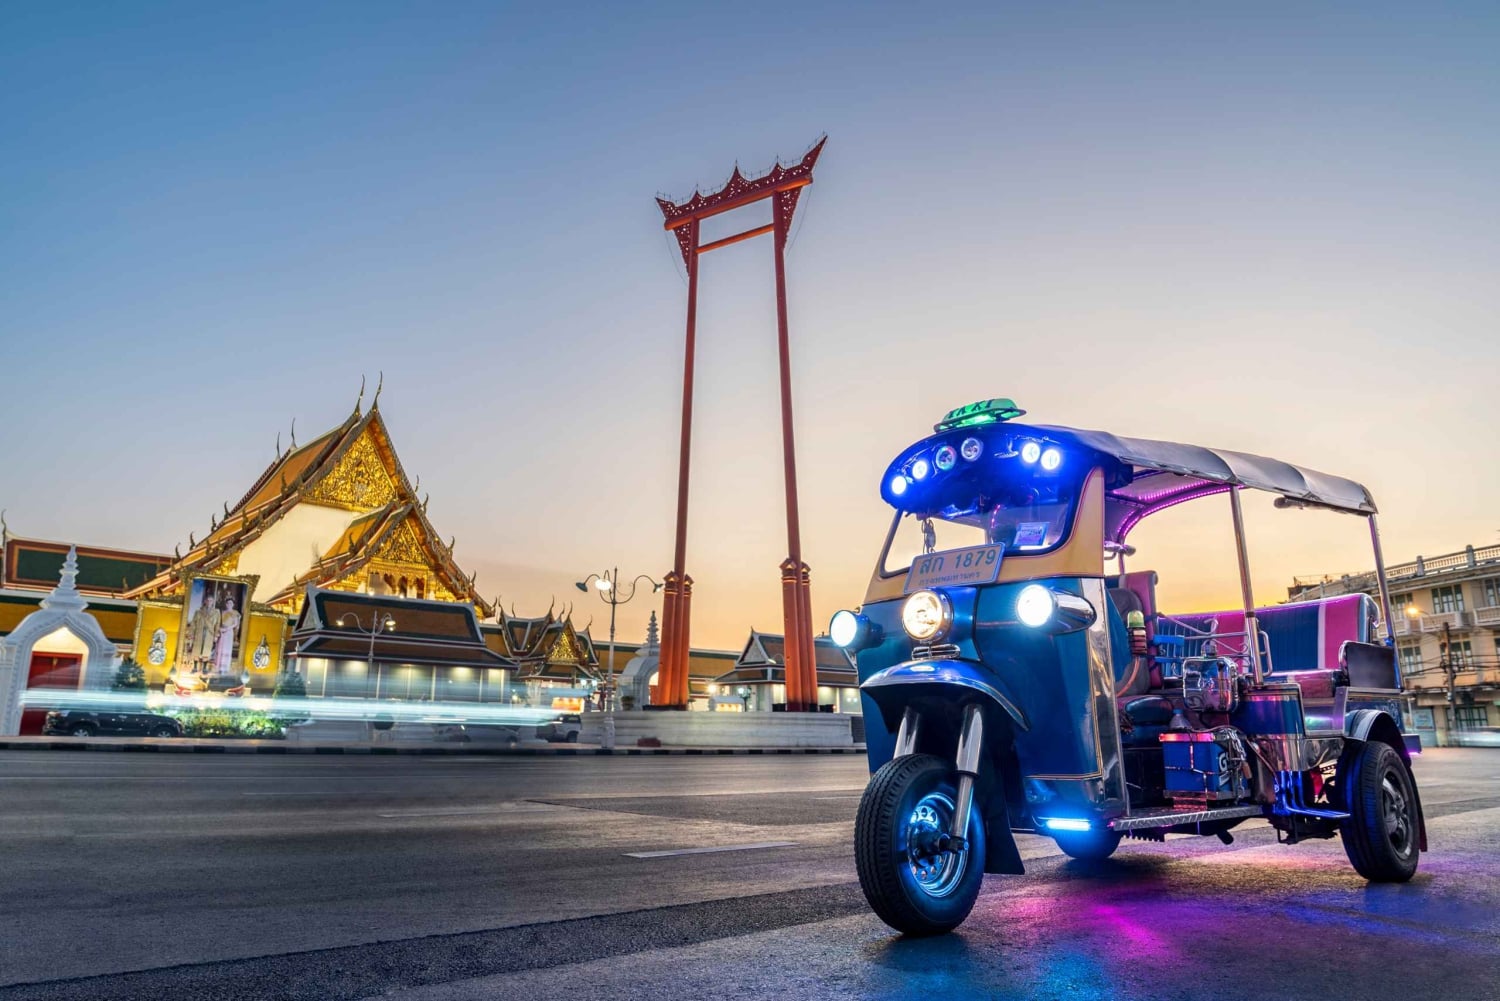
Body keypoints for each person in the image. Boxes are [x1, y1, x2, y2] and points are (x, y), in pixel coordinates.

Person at [188, 587, 220, 673]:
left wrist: (216, 635)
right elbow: (193, 623)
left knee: (207, 650)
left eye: (211, 600)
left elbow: (217, 625)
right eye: (208, 600)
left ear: (213, 602)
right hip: (199, 632)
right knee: (196, 650)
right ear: (205, 601)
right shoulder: (198, 612)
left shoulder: (216, 613)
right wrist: (191, 633)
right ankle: (195, 667)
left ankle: (205, 668)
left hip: (209, 633)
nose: (209, 602)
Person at [212, 596, 241, 675]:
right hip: (221, 631)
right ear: (226, 604)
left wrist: (227, 629)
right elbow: (219, 622)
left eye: (231, 603)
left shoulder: (235, 613)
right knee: (220, 648)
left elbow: (235, 624)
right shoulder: (222, 612)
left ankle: (224, 668)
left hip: (229, 632)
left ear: (233, 604)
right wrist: (220, 629)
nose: (229, 604)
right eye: (228, 603)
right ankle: (218, 668)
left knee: (226, 649)